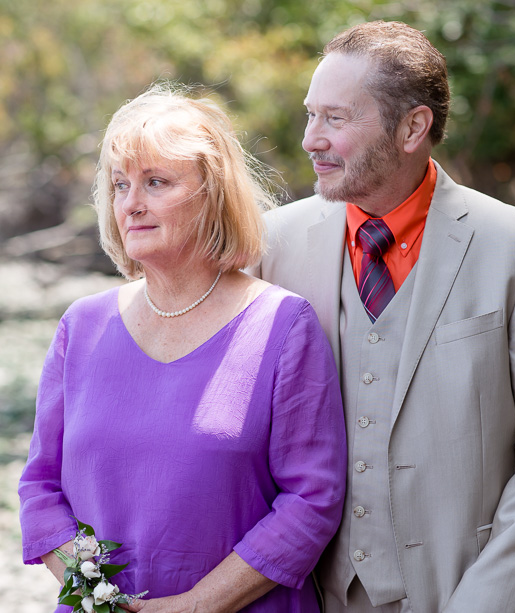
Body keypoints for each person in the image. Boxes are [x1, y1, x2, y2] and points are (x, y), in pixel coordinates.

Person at [249, 21, 515, 613]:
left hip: (468, 593)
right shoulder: (273, 245)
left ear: (412, 127)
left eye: (335, 118)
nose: (310, 139)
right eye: (310, 115)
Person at [18, 85, 347, 613]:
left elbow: (312, 500)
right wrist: (96, 593)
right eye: (121, 184)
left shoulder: (282, 325)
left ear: (212, 193)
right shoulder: (82, 326)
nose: (132, 203)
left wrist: (196, 606)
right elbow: (40, 487)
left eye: (156, 182)